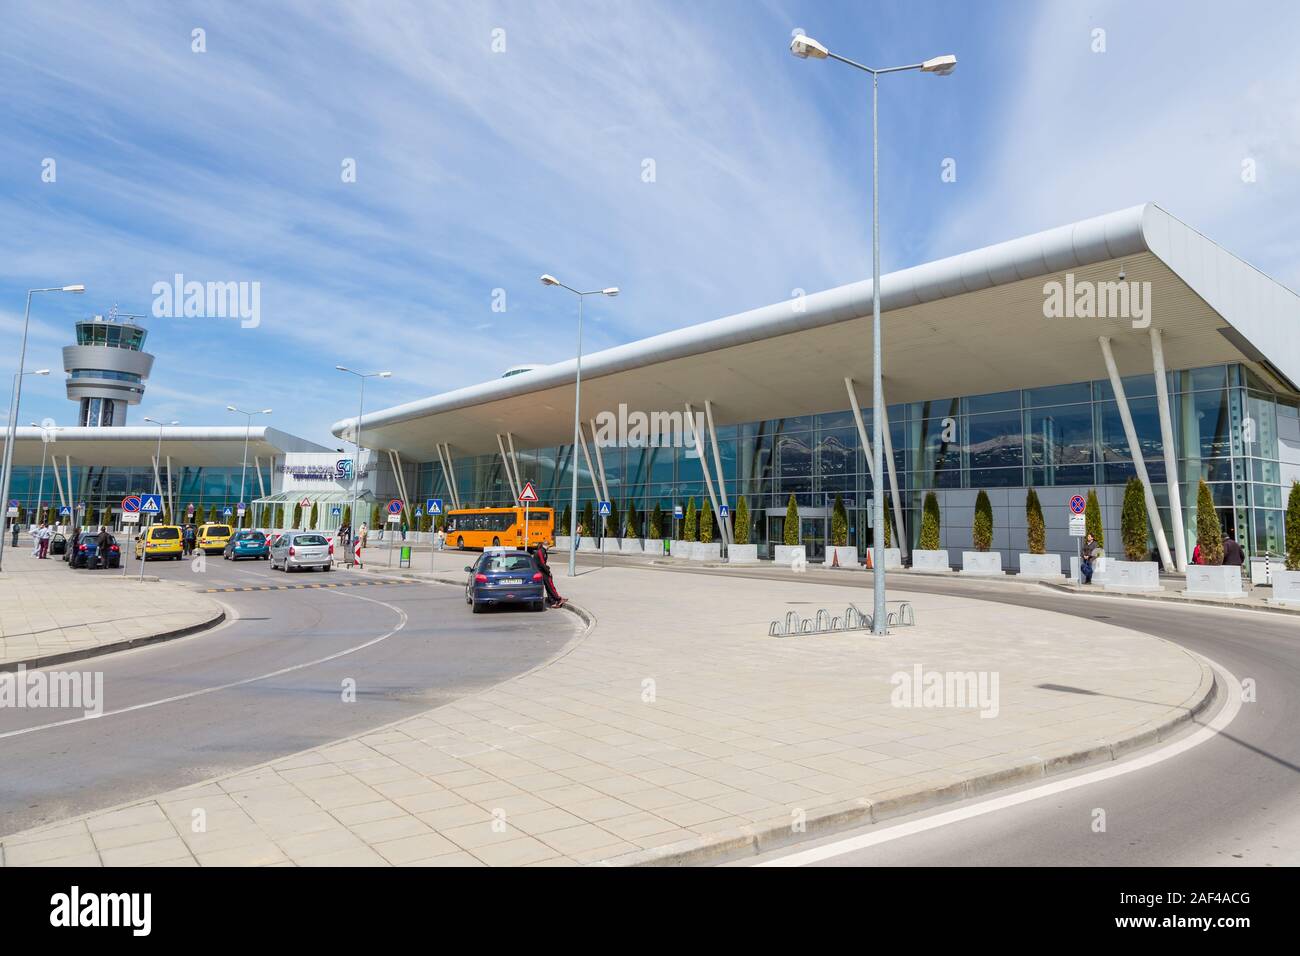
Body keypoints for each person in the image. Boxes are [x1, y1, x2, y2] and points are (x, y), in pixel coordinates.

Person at [535, 542, 564, 608]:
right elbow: (542, 563)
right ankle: (558, 599)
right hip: (541, 571)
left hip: (541, 570)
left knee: (548, 586)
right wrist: (548, 572)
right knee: (550, 585)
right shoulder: (541, 552)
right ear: (545, 545)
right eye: (549, 546)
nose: (549, 548)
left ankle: (552, 601)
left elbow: (543, 563)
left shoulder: (543, 551)